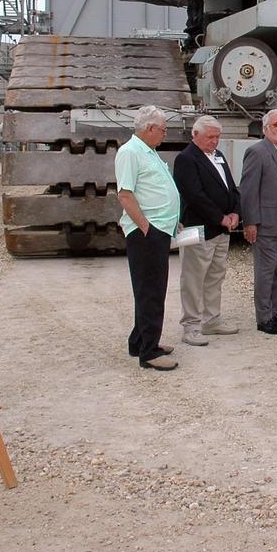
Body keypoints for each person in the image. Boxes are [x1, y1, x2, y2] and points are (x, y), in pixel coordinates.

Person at [115, 105, 182, 371]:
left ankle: (139, 340)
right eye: (163, 130)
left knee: (150, 289)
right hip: (147, 234)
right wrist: (146, 227)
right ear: (150, 128)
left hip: (159, 229)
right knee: (151, 292)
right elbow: (125, 194)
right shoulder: (130, 153)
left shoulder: (148, 152)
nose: (165, 134)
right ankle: (149, 352)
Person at [173, 115, 241, 347]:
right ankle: (191, 326)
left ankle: (211, 320)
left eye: (218, 137)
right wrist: (220, 217)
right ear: (196, 135)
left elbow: (231, 188)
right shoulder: (186, 159)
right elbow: (194, 196)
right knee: (193, 278)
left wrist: (235, 212)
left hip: (222, 230)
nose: (215, 141)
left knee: (215, 276)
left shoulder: (219, 156)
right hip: (199, 229)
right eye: (210, 137)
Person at [241, 109, 277, 335]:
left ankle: (275, 311)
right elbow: (248, 190)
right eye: (276, 124)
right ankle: (263, 318)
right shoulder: (257, 152)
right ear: (265, 128)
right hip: (266, 224)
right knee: (265, 273)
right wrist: (250, 222)